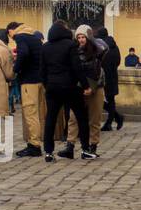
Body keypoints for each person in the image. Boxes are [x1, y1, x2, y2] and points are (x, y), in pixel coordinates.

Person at [40, 20, 95, 162]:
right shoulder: (70, 45)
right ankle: (85, 149)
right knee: (81, 117)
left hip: (52, 87)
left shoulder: (45, 47)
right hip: (69, 86)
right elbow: (77, 68)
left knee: (50, 119)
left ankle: (48, 152)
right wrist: (85, 86)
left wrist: (48, 85)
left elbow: (42, 71)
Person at [63, 24, 105, 158]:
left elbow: (104, 49)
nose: (81, 39)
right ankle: (70, 145)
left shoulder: (97, 50)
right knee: (73, 118)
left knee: (95, 118)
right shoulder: (73, 51)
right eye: (79, 37)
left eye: (83, 37)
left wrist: (90, 87)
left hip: (96, 87)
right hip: (79, 89)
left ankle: (93, 145)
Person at [13, 26, 45, 157]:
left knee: (30, 113)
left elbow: (24, 53)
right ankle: (35, 143)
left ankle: (34, 145)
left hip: (29, 81)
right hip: (39, 80)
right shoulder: (35, 38)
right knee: (37, 113)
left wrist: (16, 69)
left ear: (12, 30)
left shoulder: (20, 36)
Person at [96, 26, 125, 131]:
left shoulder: (100, 45)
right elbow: (118, 61)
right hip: (112, 75)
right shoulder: (114, 45)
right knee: (110, 99)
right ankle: (116, 118)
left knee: (98, 98)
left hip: (101, 75)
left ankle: (110, 122)